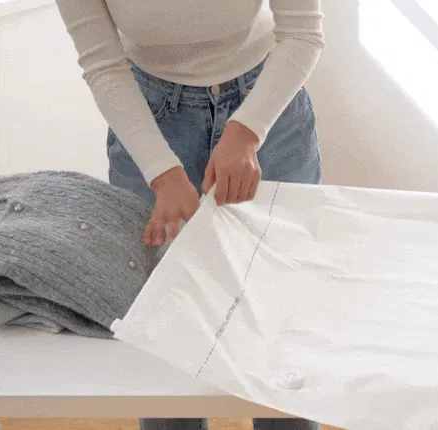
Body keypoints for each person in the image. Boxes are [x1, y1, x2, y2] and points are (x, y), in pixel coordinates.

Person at [55, 1, 325, 429]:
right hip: (148, 120)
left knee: (281, 320)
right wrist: (161, 172)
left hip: (269, 110)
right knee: (166, 329)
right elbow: (103, 65)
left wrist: (247, 131)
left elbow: (303, 32)